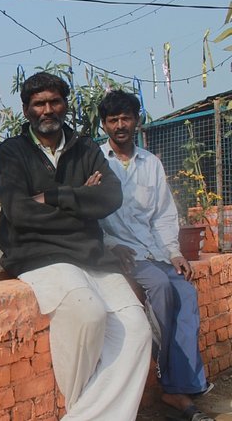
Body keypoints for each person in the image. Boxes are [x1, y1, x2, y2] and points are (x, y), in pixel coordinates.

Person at [0, 72, 152, 420]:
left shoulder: (85, 148)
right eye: (39, 103)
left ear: (65, 105)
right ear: (26, 109)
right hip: (38, 255)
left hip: (90, 255)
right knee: (87, 312)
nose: (47, 109)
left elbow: (110, 196)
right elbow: (18, 212)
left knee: (138, 332)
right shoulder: (11, 152)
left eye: (54, 102)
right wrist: (82, 204)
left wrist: (53, 195)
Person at [98, 90, 213, 421]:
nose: (120, 125)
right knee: (161, 288)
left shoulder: (151, 162)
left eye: (126, 118)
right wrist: (109, 246)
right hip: (124, 250)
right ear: (105, 125)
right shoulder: (96, 162)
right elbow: (89, 216)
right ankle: (170, 383)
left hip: (154, 248)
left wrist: (175, 252)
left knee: (187, 292)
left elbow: (163, 214)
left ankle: (186, 382)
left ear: (137, 120)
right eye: (113, 119)